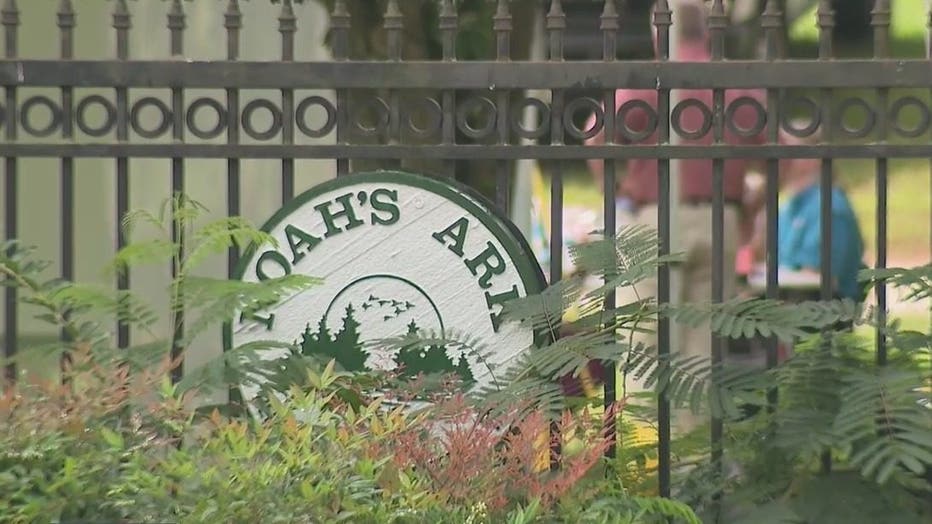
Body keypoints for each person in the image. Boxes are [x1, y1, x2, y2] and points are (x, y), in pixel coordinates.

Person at [583, 0, 766, 433]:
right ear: (710, 31)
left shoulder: (647, 80)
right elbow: (774, 158)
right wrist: (748, 209)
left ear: (658, 29)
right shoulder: (737, 85)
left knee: (644, 345)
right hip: (718, 217)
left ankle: (642, 458)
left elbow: (594, 137)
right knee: (702, 352)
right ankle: (693, 467)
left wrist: (617, 190)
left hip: (654, 215)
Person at [750, 124, 866, 302]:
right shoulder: (790, 207)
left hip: (819, 312)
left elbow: (814, 276)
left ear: (814, 158)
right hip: (789, 302)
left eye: (786, 152)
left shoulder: (828, 206)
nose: (776, 160)